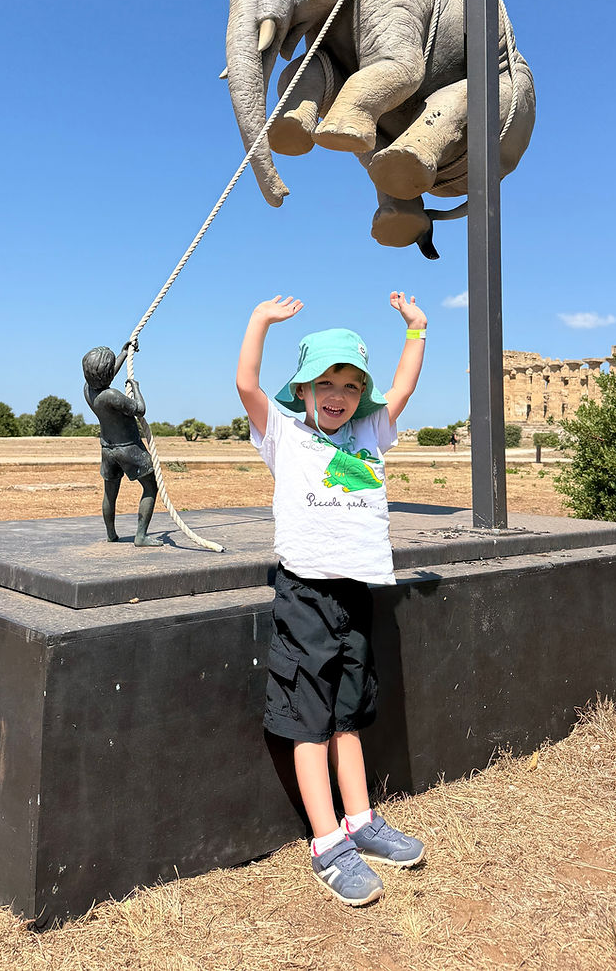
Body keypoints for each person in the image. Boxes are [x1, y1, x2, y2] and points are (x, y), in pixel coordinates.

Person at [236, 292, 428, 905]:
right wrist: (259, 323)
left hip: (356, 591)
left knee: (348, 714)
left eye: (349, 382)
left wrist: (416, 331)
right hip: (306, 593)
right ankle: (327, 842)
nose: (337, 392)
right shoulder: (285, 435)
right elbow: (246, 386)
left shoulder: (371, 431)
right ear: (303, 391)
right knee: (309, 719)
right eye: (324, 381)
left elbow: (402, 388)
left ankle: (361, 820)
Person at [82, 343, 162, 547]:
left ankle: (111, 534)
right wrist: (136, 388)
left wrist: (123, 354)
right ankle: (141, 536)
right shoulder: (112, 396)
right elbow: (140, 409)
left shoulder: (88, 390)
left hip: (107, 450)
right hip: (128, 449)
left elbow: (106, 375)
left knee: (110, 493)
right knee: (151, 488)